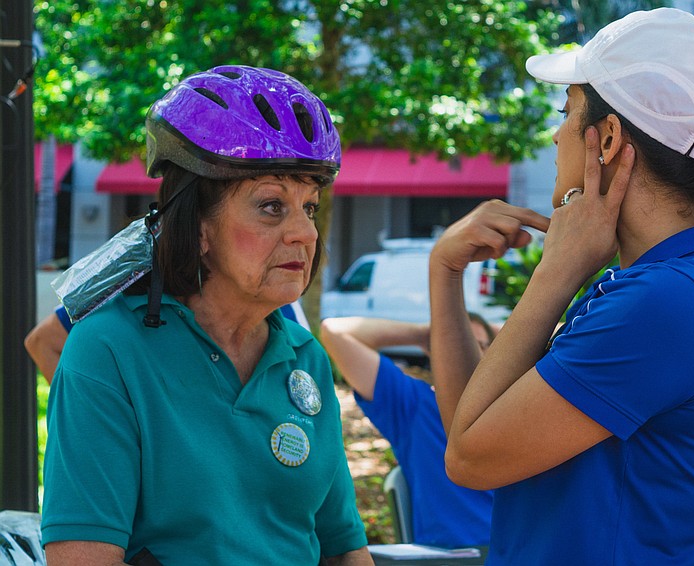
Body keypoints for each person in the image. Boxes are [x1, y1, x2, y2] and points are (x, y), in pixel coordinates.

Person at [427, 8, 694, 565]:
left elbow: (470, 458)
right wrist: (445, 274)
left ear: (609, 137)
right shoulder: (667, 287)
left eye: (567, 110)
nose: (555, 132)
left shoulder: (665, 303)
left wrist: (557, 271)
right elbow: (478, 431)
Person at [41, 65, 371, 565]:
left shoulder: (306, 358)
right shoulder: (108, 350)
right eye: (270, 206)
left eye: (310, 205)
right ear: (197, 227)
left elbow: (343, 549)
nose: (305, 232)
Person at [320, 315, 495, 548]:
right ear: (434, 353)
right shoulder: (413, 403)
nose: (466, 353)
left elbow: (555, 337)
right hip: (452, 558)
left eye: (479, 345)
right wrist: (424, 333)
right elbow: (333, 331)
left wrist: (504, 334)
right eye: (455, 344)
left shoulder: (513, 408)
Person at [25, 301, 309, 384]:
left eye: (310, 207)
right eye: (269, 207)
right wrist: (93, 417)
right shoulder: (134, 285)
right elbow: (42, 342)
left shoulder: (286, 317)